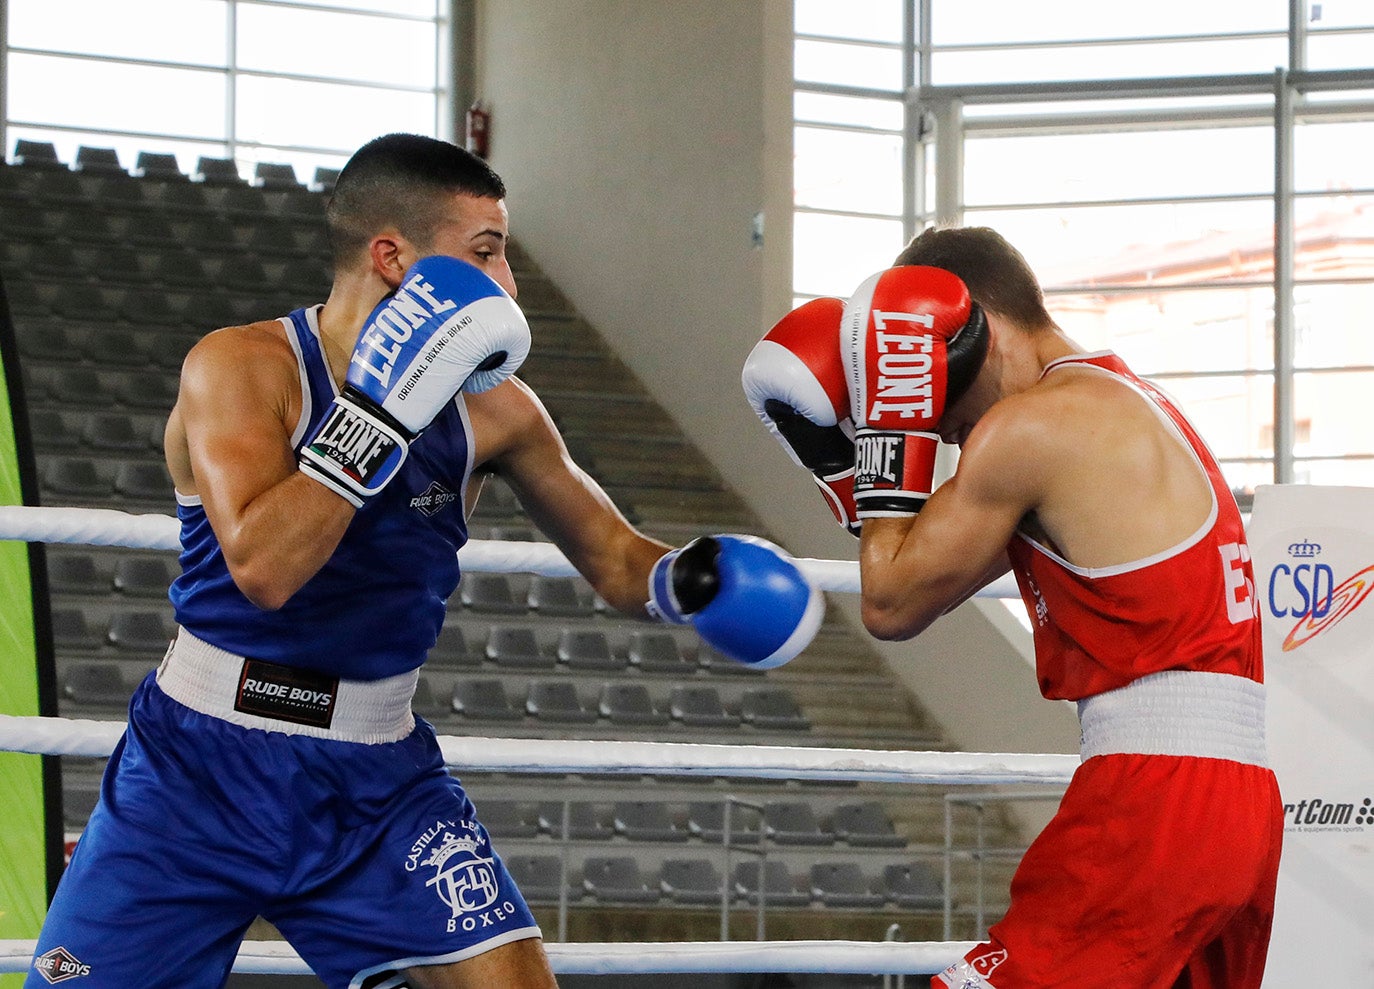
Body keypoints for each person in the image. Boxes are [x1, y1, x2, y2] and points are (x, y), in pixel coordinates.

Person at [28, 133, 822, 989]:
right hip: (197, 768)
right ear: (393, 258)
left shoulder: (497, 411)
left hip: (378, 778)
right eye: (485, 252)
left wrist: (695, 580)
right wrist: (381, 407)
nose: (509, 286)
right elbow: (264, 570)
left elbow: (619, 558)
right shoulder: (242, 367)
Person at [743, 226, 1282, 989]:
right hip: (1240, 800)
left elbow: (890, 603)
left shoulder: (1028, 428)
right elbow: (924, 567)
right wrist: (842, 464)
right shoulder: (1125, 400)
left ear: (971, 333)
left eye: (934, 387)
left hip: (1156, 798)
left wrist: (888, 429)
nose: (945, 425)